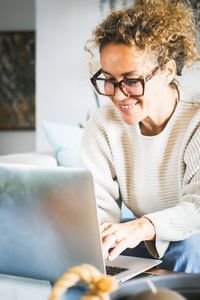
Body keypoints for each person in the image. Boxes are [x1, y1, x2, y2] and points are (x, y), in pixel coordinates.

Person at [80, 0, 200, 273]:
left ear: (168, 71)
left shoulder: (196, 118)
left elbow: (198, 208)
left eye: (131, 80)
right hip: (149, 237)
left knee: (188, 246)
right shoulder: (102, 126)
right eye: (108, 79)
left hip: (194, 239)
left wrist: (144, 226)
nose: (118, 95)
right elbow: (98, 214)